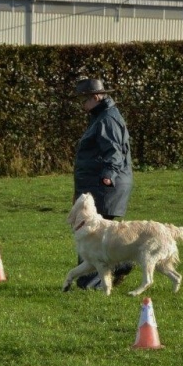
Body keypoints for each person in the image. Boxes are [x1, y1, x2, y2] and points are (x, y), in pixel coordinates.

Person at [72, 78, 135, 289]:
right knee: (95, 234)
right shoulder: (100, 116)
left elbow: (115, 151)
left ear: (96, 97)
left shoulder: (107, 119)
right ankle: (119, 266)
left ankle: (92, 280)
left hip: (104, 184)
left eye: (83, 100)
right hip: (97, 183)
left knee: (90, 234)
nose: (81, 105)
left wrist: (108, 175)